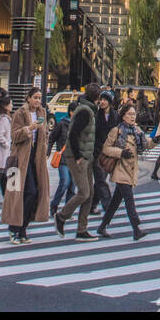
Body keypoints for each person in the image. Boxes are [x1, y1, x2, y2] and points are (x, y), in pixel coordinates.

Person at [1, 87, 50, 245]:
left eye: (39, 97)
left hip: (36, 158)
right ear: (28, 98)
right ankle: (14, 228)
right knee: (18, 192)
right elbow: (14, 135)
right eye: (35, 97)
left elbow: (45, 134)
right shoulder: (20, 113)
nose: (37, 101)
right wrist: (29, 129)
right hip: (18, 159)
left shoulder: (42, 112)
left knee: (34, 192)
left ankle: (23, 228)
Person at [97, 100, 151, 240]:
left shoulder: (136, 131)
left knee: (115, 202)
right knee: (129, 199)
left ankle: (102, 226)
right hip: (120, 169)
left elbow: (145, 146)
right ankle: (136, 229)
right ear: (123, 116)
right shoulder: (117, 130)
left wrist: (156, 139)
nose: (133, 117)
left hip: (130, 169)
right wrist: (121, 153)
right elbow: (106, 148)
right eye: (130, 114)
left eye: (134, 114)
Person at [55, 81, 100, 240]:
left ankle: (82, 229)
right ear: (97, 97)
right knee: (84, 192)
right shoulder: (85, 112)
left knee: (90, 193)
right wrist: (79, 156)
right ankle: (61, 216)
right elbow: (73, 134)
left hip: (86, 156)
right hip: (77, 156)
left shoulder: (88, 109)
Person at [92, 91, 119, 215]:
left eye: (105, 100)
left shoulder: (115, 115)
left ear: (110, 102)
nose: (102, 102)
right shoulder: (96, 115)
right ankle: (108, 206)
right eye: (101, 99)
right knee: (101, 179)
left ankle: (92, 205)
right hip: (97, 152)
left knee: (100, 180)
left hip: (110, 152)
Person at [48, 99, 77, 214]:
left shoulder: (79, 126)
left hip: (75, 160)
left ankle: (67, 210)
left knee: (72, 186)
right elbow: (52, 138)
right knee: (64, 182)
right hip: (63, 159)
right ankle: (54, 205)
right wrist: (48, 151)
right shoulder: (62, 124)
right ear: (71, 112)